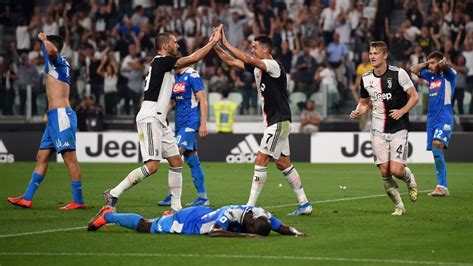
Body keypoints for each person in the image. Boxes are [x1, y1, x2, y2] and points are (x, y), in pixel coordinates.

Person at [103, 26, 223, 213]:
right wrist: (213, 42)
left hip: (159, 119)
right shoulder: (163, 61)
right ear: (166, 45)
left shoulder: (164, 65)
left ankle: (176, 207)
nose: (177, 45)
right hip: (150, 117)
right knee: (152, 166)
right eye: (175, 42)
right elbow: (194, 58)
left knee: (176, 160)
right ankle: (114, 192)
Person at [214, 30, 312, 216]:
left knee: (261, 159)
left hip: (278, 121)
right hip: (276, 122)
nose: (252, 48)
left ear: (266, 50)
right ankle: (304, 203)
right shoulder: (259, 67)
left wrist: (226, 42)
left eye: (255, 46)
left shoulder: (273, 65)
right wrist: (214, 45)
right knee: (283, 162)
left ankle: (249, 206)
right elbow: (231, 61)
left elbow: (248, 60)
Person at [7, 32, 86, 210]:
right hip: (53, 117)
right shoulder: (58, 62)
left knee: (69, 159)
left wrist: (43, 39)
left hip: (61, 115)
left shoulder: (56, 59)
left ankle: (78, 201)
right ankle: (27, 198)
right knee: (41, 157)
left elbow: (51, 51)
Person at [350, 41, 419, 215]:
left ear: (385, 55)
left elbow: (414, 96)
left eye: (376, 53)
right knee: (384, 171)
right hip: (378, 129)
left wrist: (402, 111)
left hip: (399, 127)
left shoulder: (399, 74)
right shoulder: (366, 78)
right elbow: (365, 103)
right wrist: (358, 111)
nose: (372, 56)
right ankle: (399, 206)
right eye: (370, 53)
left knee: (396, 170)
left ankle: (409, 178)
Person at [88, 204, 306, 238]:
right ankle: (107, 215)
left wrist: (296, 232)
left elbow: (282, 227)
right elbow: (214, 232)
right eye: (252, 231)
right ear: (249, 225)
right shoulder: (230, 215)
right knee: (147, 227)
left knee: (158, 222)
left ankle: (168, 217)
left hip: (203, 212)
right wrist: (243, 235)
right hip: (191, 221)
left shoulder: (262, 214)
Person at [158, 66, 210, 207]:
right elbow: (172, 102)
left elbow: (202, 99)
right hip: (180, 124)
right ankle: (203, 197)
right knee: (192, 158)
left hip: (191, 122)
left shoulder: (192, 75)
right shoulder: (175, 78)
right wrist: (160, 116)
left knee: (174, 154)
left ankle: (172, 193)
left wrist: (203, 124)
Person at [410, 51, 457, 197]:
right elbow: (413, 69)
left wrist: (441, 63)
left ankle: (442, 186)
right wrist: (428, 63)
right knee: (436, 151)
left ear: (439, 62)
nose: (430, 66)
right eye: (428, 63)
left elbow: (446, 67)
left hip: (444, 117)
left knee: (437, 145)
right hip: (431, 120)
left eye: (432, 63)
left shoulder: (449, 75)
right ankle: (442, 186)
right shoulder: (430, 76)